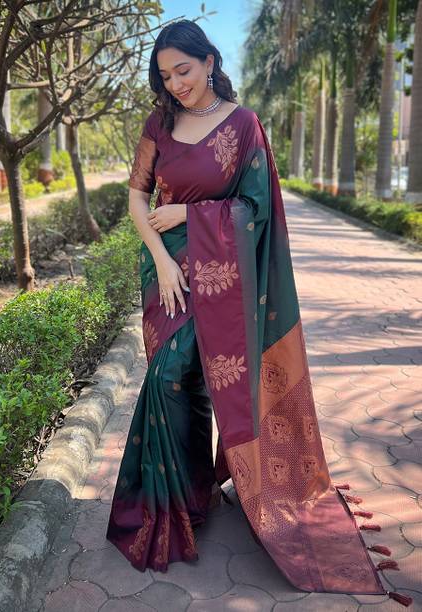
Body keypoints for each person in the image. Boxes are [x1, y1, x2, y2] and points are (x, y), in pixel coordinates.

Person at [106, 19, 411, 607]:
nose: (175, 84)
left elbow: (256, 206)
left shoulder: (243, 125)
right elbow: (138, 195)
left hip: (223, 276)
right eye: (165, 76)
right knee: (171, 378)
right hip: (166, 273)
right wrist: (162, 259)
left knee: (188, 375)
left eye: (183, 70)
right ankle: (182, 499)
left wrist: (192, 217)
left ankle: (202, 493)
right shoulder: (159, 123)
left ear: (210, 61)